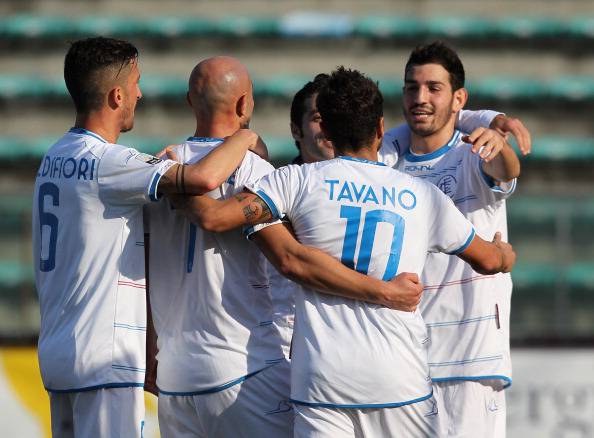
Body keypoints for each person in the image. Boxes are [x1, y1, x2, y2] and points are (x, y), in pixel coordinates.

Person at [175, 66, 516, 437]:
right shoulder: (421, 194)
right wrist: (503, 251)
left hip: (323, 381)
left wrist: (173, 180)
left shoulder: (295, 180)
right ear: (381, 129)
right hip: (400, 377)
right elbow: (490, 260)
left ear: (327, 129)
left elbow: (215, 217)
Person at [146, 56, 423, 437]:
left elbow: (143, 267)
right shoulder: (257, 172)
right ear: (244, 104)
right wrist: (384, 292)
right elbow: (293, 258)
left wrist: (152, 353)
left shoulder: (160, 169)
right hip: (244, 367)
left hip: (175, 375)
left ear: (189, 101)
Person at [32, 37, 260, 437]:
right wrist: (244, 138)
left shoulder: (54, 156)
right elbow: (203, 178)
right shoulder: (110, 162)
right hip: (105, 357)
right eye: (135, 84)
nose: (140, 93)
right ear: (117, 96)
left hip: (57, 353)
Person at [381, 41, 522, 437]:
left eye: (433, 88)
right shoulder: (387, 164)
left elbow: (506, 170)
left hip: (469, 361)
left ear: (459, 98)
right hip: (404, 362)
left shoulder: (472, 153)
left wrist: (499, 142)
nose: (420, 98)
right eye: (412, 88)